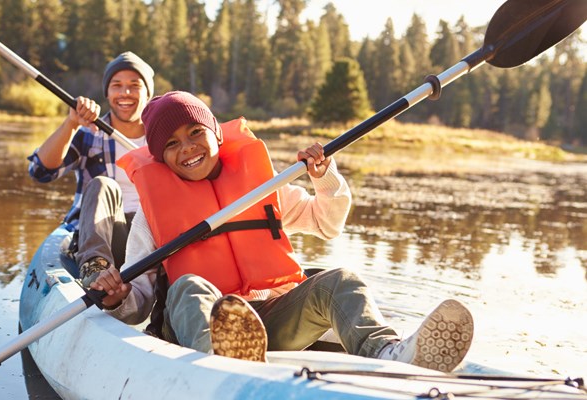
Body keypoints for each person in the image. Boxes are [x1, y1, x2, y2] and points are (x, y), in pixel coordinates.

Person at [90, 91, 474, 372]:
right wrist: (118, 296)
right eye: (171, 145)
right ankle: (217, 364)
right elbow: (137, 303)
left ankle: (388, 353)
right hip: (197, 326)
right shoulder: (151, 217)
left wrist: (323, 178)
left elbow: (327, 222)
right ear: (159, 158)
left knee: (340, 280)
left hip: (271, 318)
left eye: (195, 132)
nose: (187, 148)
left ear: (216, 135)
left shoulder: (261, 189)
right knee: (189, 284)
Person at [27, 51, 155, 287]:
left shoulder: (162, 140)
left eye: (134, 85)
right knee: (103, 184)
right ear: (107, 92)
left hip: (151, 241)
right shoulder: (89, 134)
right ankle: (95, 267)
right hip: (106, 236)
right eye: (117, 85)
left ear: (148, 93)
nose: (125, 92)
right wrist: (72, 124)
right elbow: (40, 172)